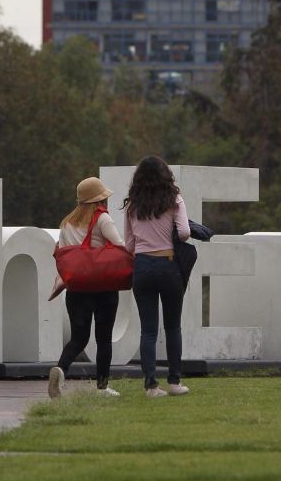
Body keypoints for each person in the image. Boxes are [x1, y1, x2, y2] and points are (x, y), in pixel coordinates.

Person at [48, 176, 124, 398]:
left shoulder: (67, 223)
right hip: (103, 288)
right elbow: (119, 246)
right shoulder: (102, 218)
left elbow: (63, 255)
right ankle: (102, 386)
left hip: (77, 290)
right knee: (104, 339)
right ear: (99, 200)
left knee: (78, 338)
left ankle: (60, 369)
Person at [124, 155, 190, 398]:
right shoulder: (174, 200)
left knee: (148, 330)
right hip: (168, 265)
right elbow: (184, 233)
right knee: (173, 327)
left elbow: (129, 244)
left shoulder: (133, 205)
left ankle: (151, 385)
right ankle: (174, 382)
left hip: (142, 266)